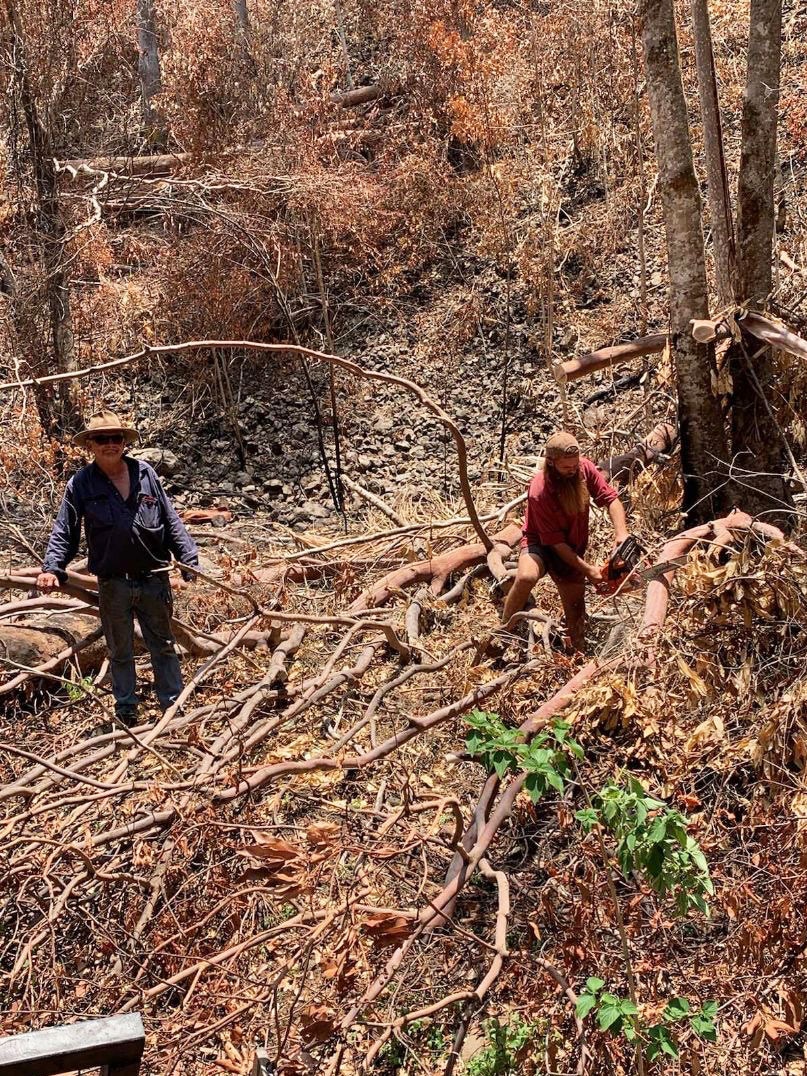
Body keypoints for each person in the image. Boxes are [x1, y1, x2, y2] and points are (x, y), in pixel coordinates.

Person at [36, 409, 199, 726]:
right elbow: (64, 530)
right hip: (113, 583)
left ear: (124, 441)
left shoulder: (145, 474)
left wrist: (188, 559)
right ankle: (126, 711)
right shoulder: (80, 484)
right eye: (102, 439)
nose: (110, 444)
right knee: (120, 651)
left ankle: (173, 707)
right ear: (91, 445)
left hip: (154, 578)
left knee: (163, 645)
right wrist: (52, 568)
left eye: (116, 438)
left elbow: (170, 519)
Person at [501, 430, 629, 649]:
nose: (572, 471)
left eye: (574, 465)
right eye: (566, 467)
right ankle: (503, 631)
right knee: (526, 577)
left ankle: (575, 652)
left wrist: (621, 533)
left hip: (571, 545)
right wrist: (589, 570)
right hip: (540, 544)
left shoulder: (584, 469)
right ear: (551, 464)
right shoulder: (539, 491)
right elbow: (554, 543)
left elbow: (611, 500)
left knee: (576, 611)